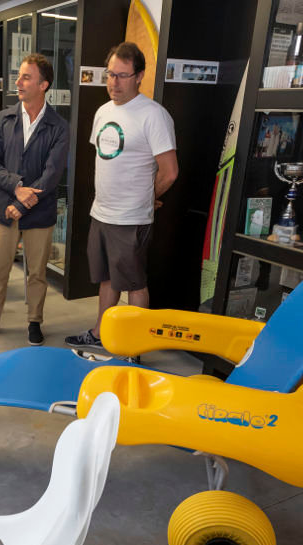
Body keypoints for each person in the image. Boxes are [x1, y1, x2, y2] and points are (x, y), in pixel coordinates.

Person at [64, 42, 178, 357]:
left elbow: (170, 172)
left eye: (123, 76)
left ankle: (134, 346)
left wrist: (146, 197)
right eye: (111, 74)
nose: (114, 83)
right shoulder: (103, 112)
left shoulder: (153, 116)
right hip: (101, 213)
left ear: (139, 76)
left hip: (130, 219)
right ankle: (102, 333)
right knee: (106, 278)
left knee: (134, 283)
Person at [0, 53, 69, 346]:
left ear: (43, 84)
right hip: (4, 210)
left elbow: (52, 176)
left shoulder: (59, 127)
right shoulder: (3, 118)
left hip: (39, 213)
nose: (19, 82)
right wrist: (17, 188)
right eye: (19, 76)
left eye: (26, 77)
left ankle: (35, 321)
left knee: (37, 274)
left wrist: (23, 203)